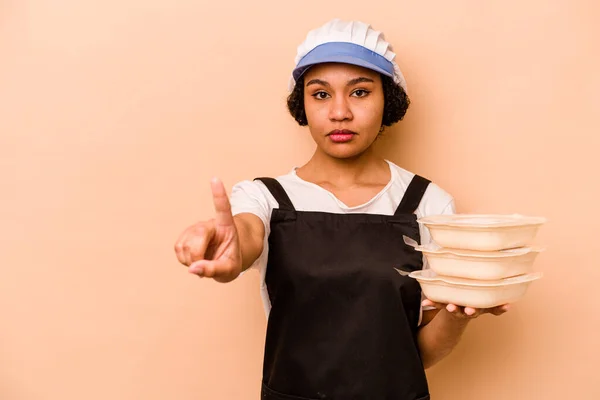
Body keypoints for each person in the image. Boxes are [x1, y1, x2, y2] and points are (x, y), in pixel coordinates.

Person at [174, 19, 509, 400]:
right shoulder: (265, 198)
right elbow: (246, 234)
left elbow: (417, 354)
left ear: (389, 100)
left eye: (360, 92)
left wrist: (458, 309)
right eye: (320, 95)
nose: (340, 112)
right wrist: (228, 248)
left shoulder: (429, 204)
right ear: (302, 104)